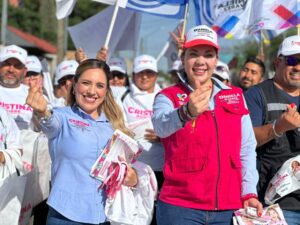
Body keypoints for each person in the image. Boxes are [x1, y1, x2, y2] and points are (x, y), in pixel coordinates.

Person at [151, 25, 262, 225]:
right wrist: (186, 112)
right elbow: (160, 126)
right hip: (180, 208)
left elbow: (246, 149)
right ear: (184, 58)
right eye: (193, 54)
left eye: (208, 55)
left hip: (229, 208)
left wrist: (249, 193)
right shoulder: (167, 96)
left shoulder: (235, 95)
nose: (201, 61)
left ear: (216, 60)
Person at [26, 58, 138, 225]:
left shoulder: (115, 125)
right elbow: (49, 124)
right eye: (86, 83)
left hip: (105, 216)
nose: (92, 91)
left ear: (107, 91)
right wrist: (41, 112)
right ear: (75, 85)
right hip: (65, 215)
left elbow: (129, 169)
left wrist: (132, 177)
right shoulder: (61, 117)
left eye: (100, 86)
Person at [244, 35, 300, 225]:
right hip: (275, 204)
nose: (298, 67)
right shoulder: (256, 94)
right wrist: (278, 127)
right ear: (278, 62)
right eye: (292, 60)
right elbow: (245, 140)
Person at [117, 54, 164, 225]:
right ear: (133, 75)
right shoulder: (122, 95)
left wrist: (163, 137)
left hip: (160, 169)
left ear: (156, 75)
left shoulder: (165, 97)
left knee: (156, 216)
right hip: (133, 169)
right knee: (134, 215)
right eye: (140, 73)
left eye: (149, 73)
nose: (145, 77)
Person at [0, 44, 35, 130]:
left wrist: (40, 113)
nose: (11, 70)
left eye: (17, 66)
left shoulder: (33, 95)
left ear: (25, 71)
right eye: (7, 64)